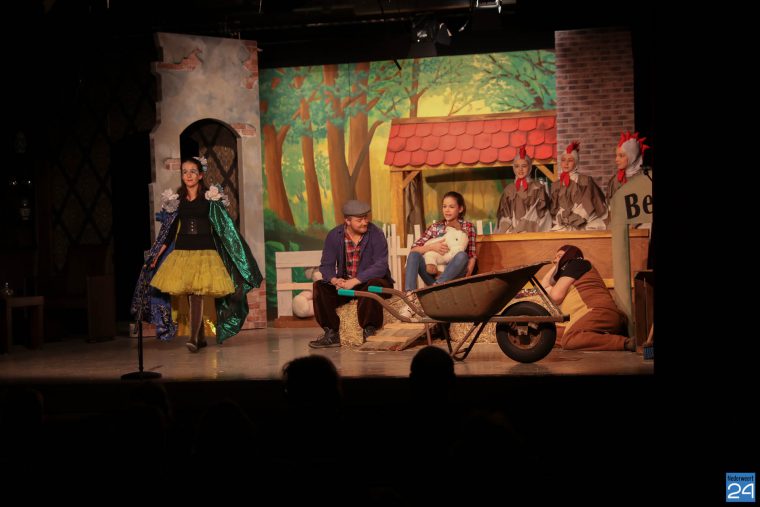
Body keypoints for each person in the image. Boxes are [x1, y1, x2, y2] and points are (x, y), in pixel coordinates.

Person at [130, 156, 263, 352]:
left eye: (193, 171)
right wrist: (157, 255)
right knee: (190, 293)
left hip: (205, 253)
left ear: (200, 175)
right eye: (185, 172)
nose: (189, 175)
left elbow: (223, 228)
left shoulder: (210, 198)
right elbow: (169, 233)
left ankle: (193, 338)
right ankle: (199, 337)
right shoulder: (177, 201)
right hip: (183, 252)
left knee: (196, 294)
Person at [309, 199, 393, 348]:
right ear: (347, 221)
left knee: (373, 285)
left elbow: (380, 266)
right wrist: (335, 280)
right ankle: (332, 333)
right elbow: (326, 265)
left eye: (366, 218)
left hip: (370, 282)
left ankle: (369, 331)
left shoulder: (376, 234)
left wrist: (355, 281)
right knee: (319, 287)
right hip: (346, 284)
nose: (365, 222)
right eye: (359, 220)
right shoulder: (334, 235)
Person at [540, 245, 635, 351]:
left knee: (570, 339)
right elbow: (544, 289)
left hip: (597, 312)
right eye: (555, 258)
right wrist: (557, 264)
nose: (555, 260)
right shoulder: (569, 275)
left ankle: (626, 343)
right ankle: (602, 338)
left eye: (559, 256)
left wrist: (561, 262)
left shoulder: (577, 263)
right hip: (586, 317)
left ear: (570, 256)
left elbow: (555, 297)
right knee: (548, 334)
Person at [405, 191, 476, 291]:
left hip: (454, 278)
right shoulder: (435, 227)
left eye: (451, 207)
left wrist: (467, 277)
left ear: (460, 209)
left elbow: (472, 256)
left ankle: (439, 285)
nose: (447, 210)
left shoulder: (467, 227)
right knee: (414, 255)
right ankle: (409, 293)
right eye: (444, 206)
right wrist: (431, 247)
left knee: (462, 256)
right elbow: (413, 249)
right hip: (434, 275)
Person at [550, 141, 608, 231]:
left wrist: (573, 218)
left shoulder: (585, 180)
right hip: (563, 220)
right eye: (563, 160)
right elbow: (554, 207)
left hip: (582, 219)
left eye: (570, 160)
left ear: (576, 163)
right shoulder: (556, 184)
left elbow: (589, 202)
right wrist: (561, 218)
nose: (566, 163)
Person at [496, 145, 552, 233]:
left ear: (530, 167)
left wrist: (522, 228)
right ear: (513, 168)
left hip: (533, 232)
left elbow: (542, 214)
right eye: (517, 166)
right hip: (512, 234)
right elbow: (504, 215)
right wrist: (510, 230)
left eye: (524, 166)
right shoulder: (509, 190)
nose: (520, 169)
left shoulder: (538, 188)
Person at [606, 130, 650, 201]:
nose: (616, 159)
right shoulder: (615, 181)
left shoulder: (647, 176)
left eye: (621, 156)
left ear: (632, 157)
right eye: (616, 155)